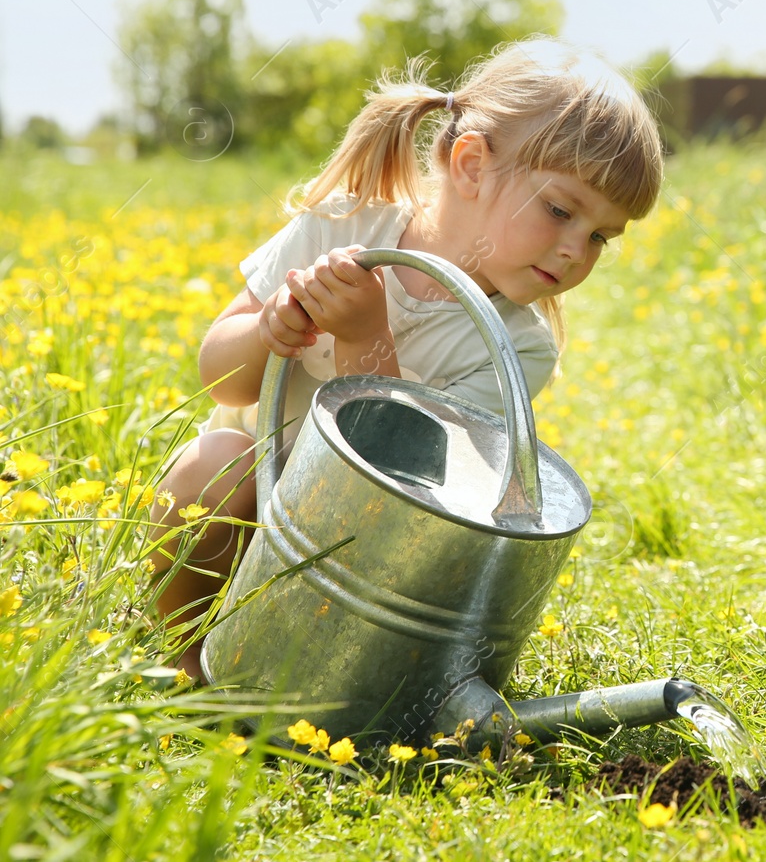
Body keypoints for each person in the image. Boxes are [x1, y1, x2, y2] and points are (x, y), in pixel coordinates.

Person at [150, 38, 664, 681]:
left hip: (365, 552)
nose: (574, 253)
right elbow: (217, 375)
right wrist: (269, 329)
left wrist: (368, 333)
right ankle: (189, 664)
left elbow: (410, 477)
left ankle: (296, 675)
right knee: (212, 463)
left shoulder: (516, 347)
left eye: (598, 238)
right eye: (560, 211)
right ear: (471, 165)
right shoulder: (343, 227)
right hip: (252, 506)